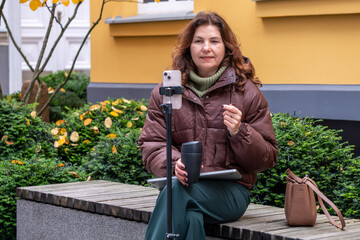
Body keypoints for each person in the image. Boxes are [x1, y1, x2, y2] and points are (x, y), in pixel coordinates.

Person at [138, 11, 278, 240]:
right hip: (183, 186)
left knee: (174, 192)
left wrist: (240, 132)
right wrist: (175, 164)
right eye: (198, 41)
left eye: (214, 41)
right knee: (191, 218)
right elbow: (152, 144)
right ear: (188, 47)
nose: (206, 48)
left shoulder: (246, 92)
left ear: (226, 47)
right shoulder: (167, 91)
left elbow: (268, 158)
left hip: (231, 193)